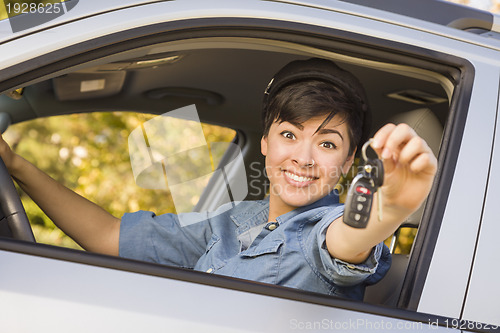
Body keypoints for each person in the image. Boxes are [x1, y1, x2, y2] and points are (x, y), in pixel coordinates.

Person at [0, 58, 437, 300]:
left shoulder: (321, 230)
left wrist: (387, 211)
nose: (303, 158)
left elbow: (346, 243)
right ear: (265, 143)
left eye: (326, 144)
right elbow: (108, 235)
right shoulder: (235, 219)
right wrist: (15, 164)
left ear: (345, 165)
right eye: (289, 135)